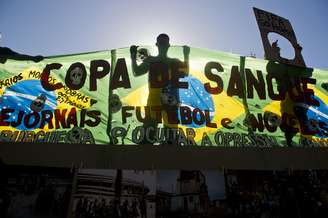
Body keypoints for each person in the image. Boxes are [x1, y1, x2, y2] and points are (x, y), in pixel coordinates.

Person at [130, 34, 190, 145]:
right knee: (148, 136)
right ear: (158, 44)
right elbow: (137, 72)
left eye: (164, 42)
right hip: (156, 100)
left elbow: (185, 73)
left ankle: (166, 160)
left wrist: (186, 55)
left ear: (168, 45)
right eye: (161, 42)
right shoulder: (152, 60)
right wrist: (133, 57)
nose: (162, 45)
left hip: (170, 100)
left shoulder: (169, 61)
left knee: (170, 138)